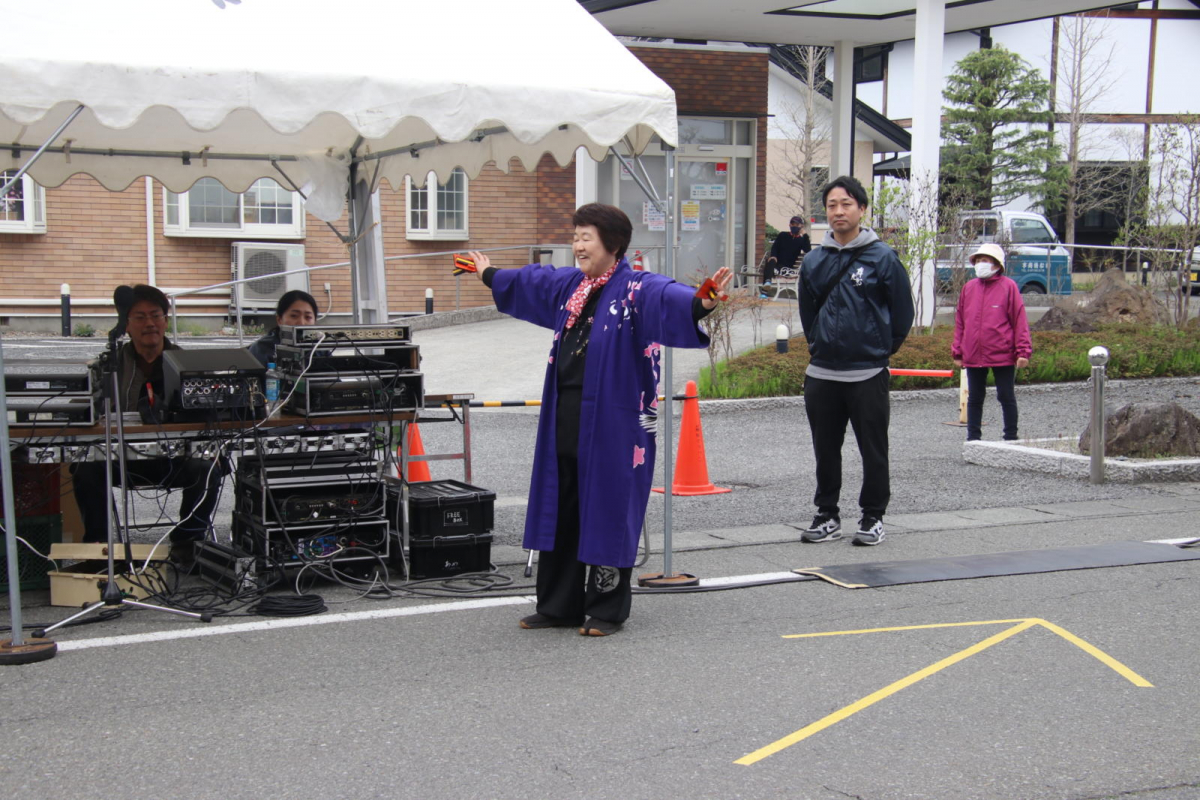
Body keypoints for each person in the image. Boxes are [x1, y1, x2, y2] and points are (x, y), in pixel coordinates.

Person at [470, 203, 731, 637]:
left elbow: (670, 299)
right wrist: (489, 273)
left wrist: (700, 302)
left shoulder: (636, 288)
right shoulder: (573, 286)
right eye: (574, 237)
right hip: (565, 412)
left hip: (615, 419)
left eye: (585, 237)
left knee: (608, 507)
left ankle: (606, 609)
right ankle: (558, 604)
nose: (577, 245)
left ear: (613, 243)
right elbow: (531, 283)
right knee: (563, 502)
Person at [71, 284, 230, 567]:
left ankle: (188, 543)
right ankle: (98, 549)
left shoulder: (190, 364)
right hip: (123, 460)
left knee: (208, 466)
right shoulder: (108, 365)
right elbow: (90, 414)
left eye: (155, 315)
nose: (149, 323)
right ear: (126, 324)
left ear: (166, 320)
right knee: (86, 468)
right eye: (140, 317)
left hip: (176, 459)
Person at [798, 176, 914, 547]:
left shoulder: (882, 257)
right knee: (825, 450)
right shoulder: (815, 260)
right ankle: (827, 514)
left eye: (846, 204)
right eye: (832, 205)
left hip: (867, 372)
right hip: (822, 373)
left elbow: (902, 313)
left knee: (873, 449)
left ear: (862, 209)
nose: (838, 211)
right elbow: (808, 312)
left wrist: (879, 349)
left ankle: (873, 517)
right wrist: (820, 343)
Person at [951, 242, 1032, 442]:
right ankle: (973, 438)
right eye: (978, 260)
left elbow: (1019, 320)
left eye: (985, 260)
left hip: (1002, 352)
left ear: (996, 264)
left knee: (1006, 396)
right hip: (973, 352)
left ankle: (1011, 437)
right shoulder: (969, 288)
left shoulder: (1008, 287)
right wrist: (958, 351)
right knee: (975, 398)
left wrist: (1023, 351)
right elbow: (961, 321)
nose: (980, 264)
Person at [247, 289, 319, 367]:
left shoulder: (319, 348)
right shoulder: (262, 348)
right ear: (279, 320)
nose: (301, 323)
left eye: (308, 317)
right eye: (294, 316)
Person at [765, 215, 811, 285]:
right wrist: (773, 256)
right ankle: (767, 284)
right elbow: (775, 247)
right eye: (792, 224)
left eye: (797, 224)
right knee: (770, 261)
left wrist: (805, 235)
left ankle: (765, 287)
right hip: (776, 263)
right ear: (789, 225)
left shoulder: (801, 240)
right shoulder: (783, 235)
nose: (794, 226)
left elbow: (808, 250)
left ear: (801, 226)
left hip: (788, 268)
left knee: (769, 268)